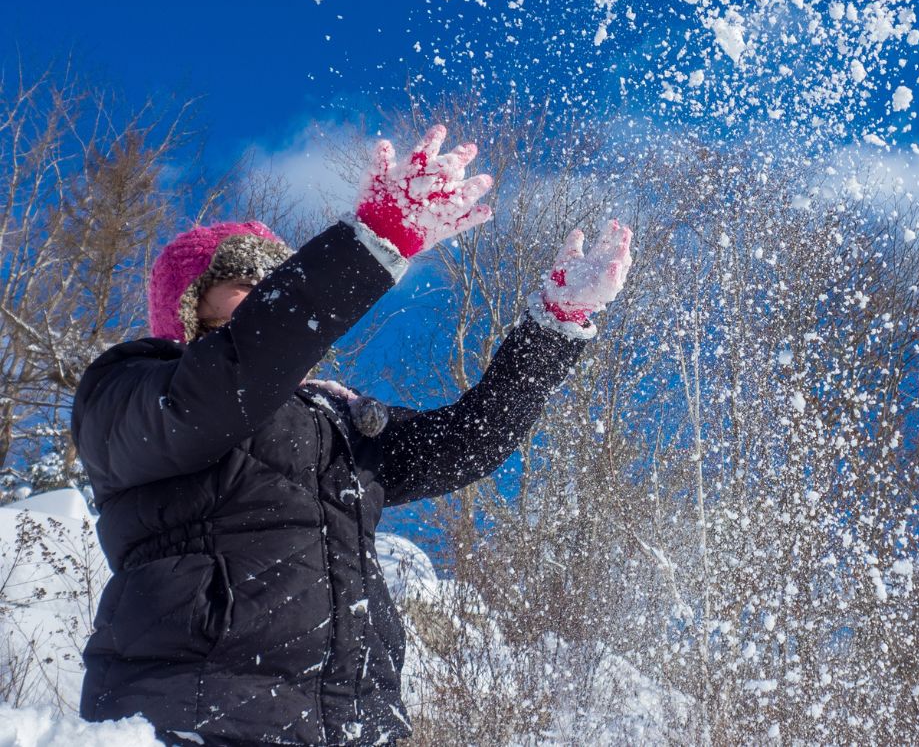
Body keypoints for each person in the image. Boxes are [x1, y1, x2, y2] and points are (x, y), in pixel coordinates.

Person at [71, 125, 632, 746]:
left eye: (275, 284)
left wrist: (552, 330)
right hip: (194, 717)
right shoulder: (131, 390)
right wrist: (373, 244)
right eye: (246, 286)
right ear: (188, 306)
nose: (266, 299)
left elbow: (470, 442)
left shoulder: (333, 424)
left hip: (352, 727)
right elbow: (238, 371)